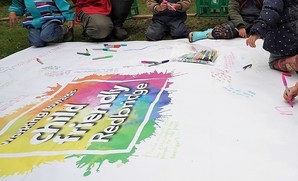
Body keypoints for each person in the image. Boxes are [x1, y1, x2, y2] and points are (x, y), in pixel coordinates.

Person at [246, 0, 298, 72]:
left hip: (287, 43)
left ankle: (292, 61)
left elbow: (270, 11)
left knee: (275, 61)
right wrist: (257, 31)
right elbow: (270, 12)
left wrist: (257, 32)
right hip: (287, 43)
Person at [188, 0, 263, 42]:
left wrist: (258, 28)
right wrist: (240, 26)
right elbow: (233, 11)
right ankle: (206, 33)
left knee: (269, 35)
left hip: (259, 21)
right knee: (222, 31)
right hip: (241, 20)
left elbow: (267, 11)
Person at [8, 0, 75, 47]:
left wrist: (69, 16)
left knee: (46, 36)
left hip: (50, 18)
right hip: (33, 21)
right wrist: (13, 11)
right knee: (37, 43)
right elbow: (17, 5)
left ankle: (64, 29)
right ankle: (42, 35)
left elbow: (62, 3)